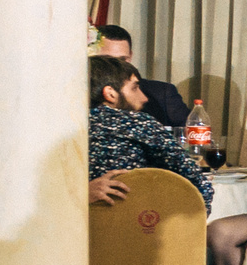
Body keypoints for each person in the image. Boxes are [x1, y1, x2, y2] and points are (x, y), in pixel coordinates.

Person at [87, 55, 213, 208]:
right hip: (138, 223)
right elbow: (196, 182)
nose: (144, 98)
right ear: (110, 93)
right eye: (135, 88)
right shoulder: (137, 123)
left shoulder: (66, 127)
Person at [94, 24, 191, 132]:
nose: (118, 66)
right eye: (110, 60)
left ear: (130, 56)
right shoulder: (83, 96)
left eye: (122, 59)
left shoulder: (162, 93)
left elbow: (193, 134)